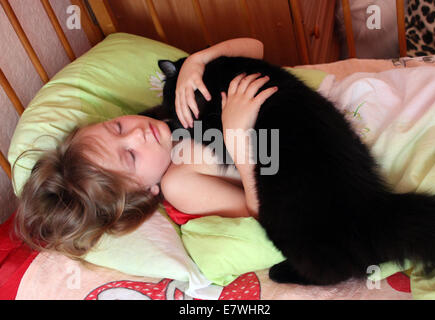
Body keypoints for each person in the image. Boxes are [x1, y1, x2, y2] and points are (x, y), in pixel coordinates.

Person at [14, 38, 277, 259]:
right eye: (130, 155)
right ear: (145, 192)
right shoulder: (179, 183)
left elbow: (256, 48)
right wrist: (237, 138)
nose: (136, 134)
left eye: (117, 127)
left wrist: (197, 62)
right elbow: (261, 213)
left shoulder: (180, 105)